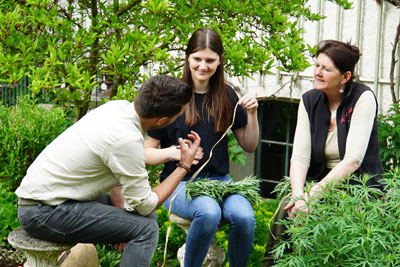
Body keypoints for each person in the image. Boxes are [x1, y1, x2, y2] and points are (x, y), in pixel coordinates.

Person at [15, 75, 201, 267]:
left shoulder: (117, 108)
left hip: (52, 200)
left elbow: (125, 180)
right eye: (178, 115)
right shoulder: (125, 138)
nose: (180, 118)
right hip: (43, 212)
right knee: (146, 229)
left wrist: (122, 226)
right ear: (161, 121)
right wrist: (184, 166)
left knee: (144, 218)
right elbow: (145, 203)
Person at [263, 40, 385, 266]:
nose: (317, 73)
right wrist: (300, 196)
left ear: (345, 77)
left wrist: (313, 196)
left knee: (333, 226)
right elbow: (300, 157)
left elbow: (352, 161)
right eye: (316, 65)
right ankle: (274, 262)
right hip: (320, 185)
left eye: (326, 69)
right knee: (286, 206)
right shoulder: (309, 100)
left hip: (357, 189)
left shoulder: (362, 98)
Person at [144, 28, 259, 266]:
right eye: (197, 59)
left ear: (219, 61)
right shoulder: (170, 96)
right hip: (178, 184)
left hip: (220, 181)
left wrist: (253, 114)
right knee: (208, 211)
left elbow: (249, 145)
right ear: (188, 58)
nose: (203, 66)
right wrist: (174, 153)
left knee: (244, 215)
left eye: (210, 60)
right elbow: (146, 153)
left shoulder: (226, 95)